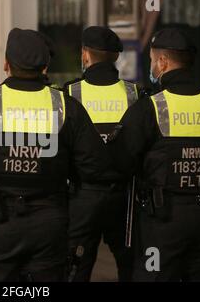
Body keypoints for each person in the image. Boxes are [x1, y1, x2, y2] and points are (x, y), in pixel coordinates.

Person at [0, 28, 111, 281]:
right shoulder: (66, 106)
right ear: (45, 67)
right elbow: (97, 167)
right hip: (50, 222)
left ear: (6, 64)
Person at [109, 28, 200, 281]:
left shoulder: (151, 107)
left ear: (162, 62)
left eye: (152, 60)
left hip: (163, 220)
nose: (152, 66)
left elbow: (121, 160)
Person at [64, 26, 137, 282]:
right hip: (126, 198)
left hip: (83, 196)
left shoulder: (70, 93)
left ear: (85, 55)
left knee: (76, 268)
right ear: (115, 57)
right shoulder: (135, 94)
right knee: (130, 268)